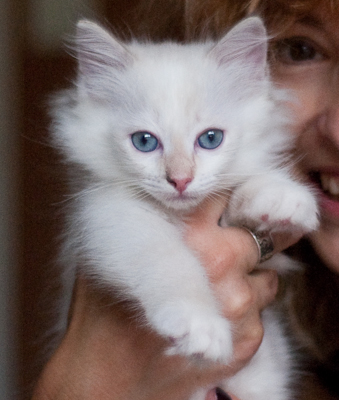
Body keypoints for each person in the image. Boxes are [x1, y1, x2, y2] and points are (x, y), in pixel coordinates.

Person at [32, 0, 339, 399]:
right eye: (145, 141)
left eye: (209, 140)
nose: (180, 176)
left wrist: (256, 194)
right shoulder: (114, 201)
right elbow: (130, 240)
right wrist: (183, 302)